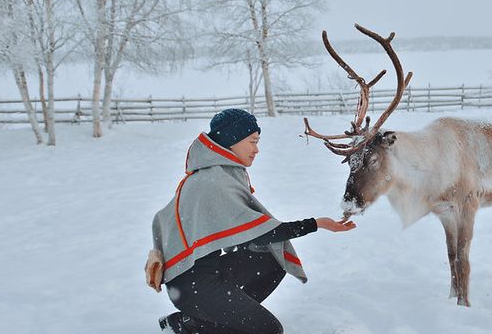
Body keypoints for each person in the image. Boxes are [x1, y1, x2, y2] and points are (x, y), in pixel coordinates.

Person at [146, 108, 356, 334]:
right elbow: (261, 232)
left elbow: (244, 233)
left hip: (203, 276)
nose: (256, 149)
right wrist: (317, 223)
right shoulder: (213, 181)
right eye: (252, 141)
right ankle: (191, 325)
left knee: (272, 259)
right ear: (232, 141)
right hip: (193, 287)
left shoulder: (218, 174)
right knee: (269, 330)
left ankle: (201, 320)